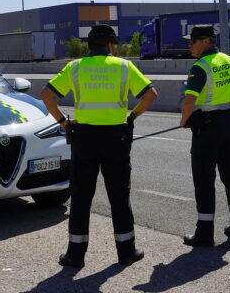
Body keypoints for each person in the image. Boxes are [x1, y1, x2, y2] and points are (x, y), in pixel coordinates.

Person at [40, 24, 158, 268]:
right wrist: (133, 116)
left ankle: (75, 255)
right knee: (119, 196)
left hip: (84, 139)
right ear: (110, 45)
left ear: (89, 45)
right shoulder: (123, 66)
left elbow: (47, 95)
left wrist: (63, 121)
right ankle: (126, 250)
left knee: (81, 197)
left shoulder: (75, 67)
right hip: (116, 139)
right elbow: (150, 94)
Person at [180, 25, 230, 247]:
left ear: (205, 41)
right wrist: (228, 105)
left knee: (204, 181)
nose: (190, 46)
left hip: (207, 129)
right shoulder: (228, 61)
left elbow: (190, 101)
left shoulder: (200, 66)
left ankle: (204, 234)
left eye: (192, 41)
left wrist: (184, 121)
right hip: (229, 123)